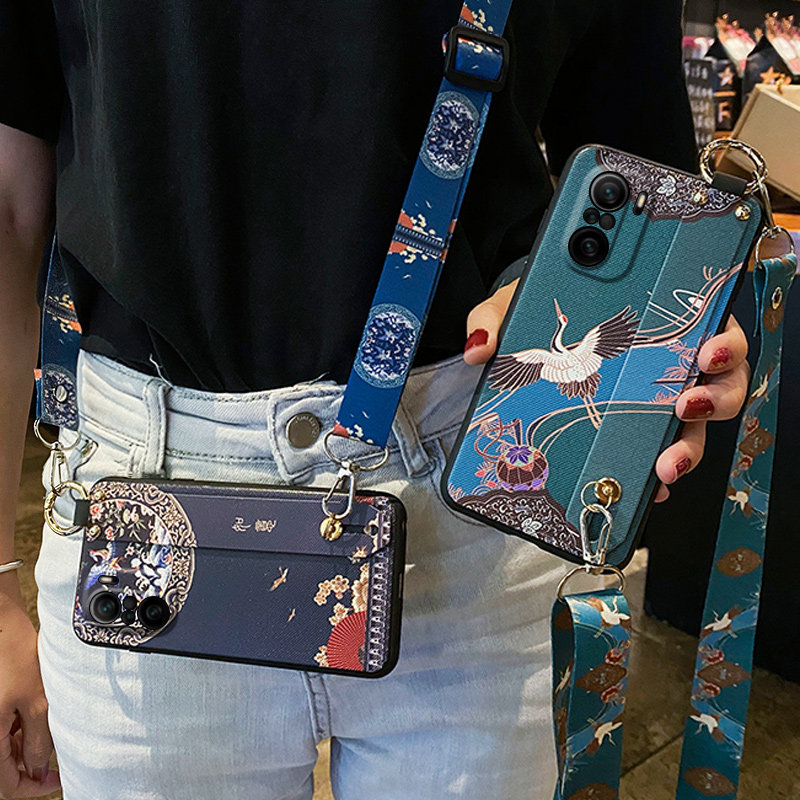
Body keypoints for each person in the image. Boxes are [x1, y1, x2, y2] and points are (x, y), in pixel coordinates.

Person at [0, 2, 752, 798]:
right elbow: (10, 209)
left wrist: (663, 337)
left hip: (478, 493)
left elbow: (644, 176)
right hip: (144, 512)